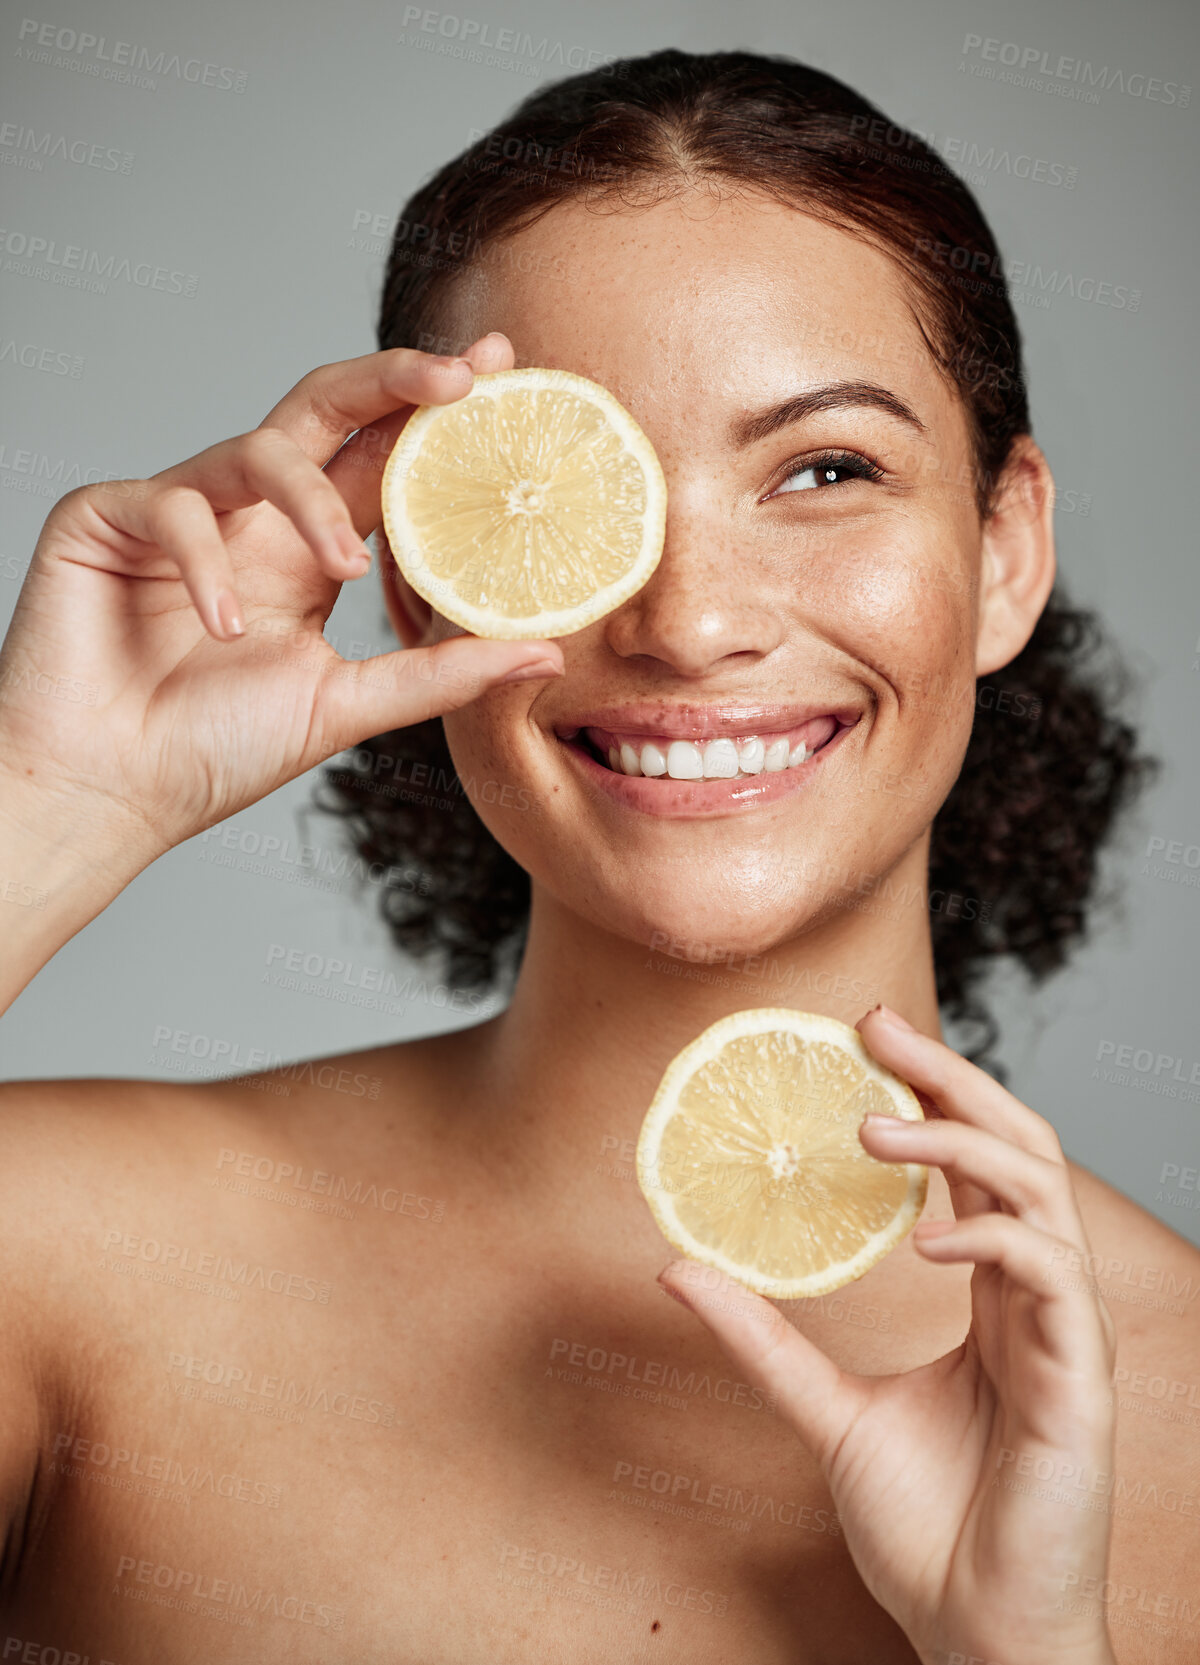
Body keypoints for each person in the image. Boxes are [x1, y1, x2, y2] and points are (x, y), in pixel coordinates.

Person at [0, 47, 1195, 1665]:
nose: (690, 624)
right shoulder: (67, 1267)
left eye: (824, 471)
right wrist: (44, 803)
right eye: (573, 496)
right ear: (421, 588)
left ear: (1003, 553)